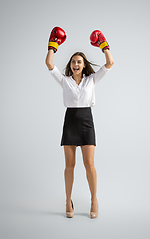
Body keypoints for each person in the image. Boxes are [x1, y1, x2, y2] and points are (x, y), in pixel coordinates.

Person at [45, 26, 114, 218]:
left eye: (79, 62)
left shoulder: (91, 80)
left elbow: (110, 62)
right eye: (74, 61)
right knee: (69, 165)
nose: (76, 64)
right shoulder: (64, 80)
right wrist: (53, 45)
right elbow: (49, 63)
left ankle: (94, 199)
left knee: (89, 164)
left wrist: (103, 44)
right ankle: (68, 201)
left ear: (84, 65)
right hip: (70, 122)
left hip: (86, 122)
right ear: (71, 64)